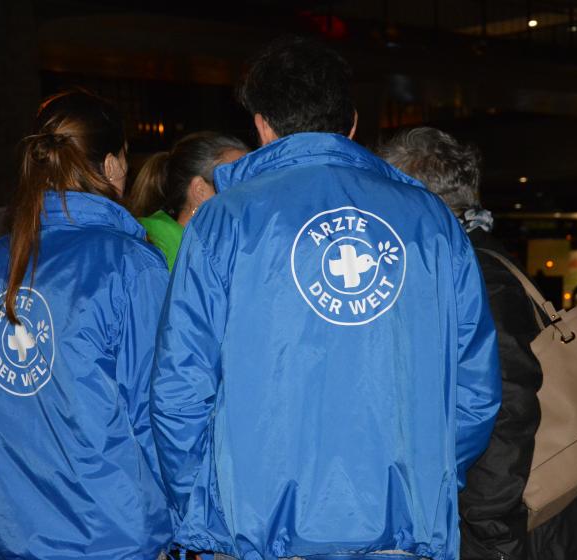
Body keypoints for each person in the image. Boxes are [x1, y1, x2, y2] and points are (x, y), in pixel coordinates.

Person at [151, 37, 501, 560]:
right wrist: (426, 483)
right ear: (353, 122)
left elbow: (180, 388)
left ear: (263, 125)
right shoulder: (430, 221)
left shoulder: (225, 222)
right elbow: (474, 387)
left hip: (260, 531)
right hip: (398, 531)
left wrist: (207, 508)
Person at [0, 90, 172, 559]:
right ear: (111, 166)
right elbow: (159, 413)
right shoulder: (131, 265)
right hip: (113, 537)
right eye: (126, 162)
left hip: (11, 533)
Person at [379, 126, 577, 560]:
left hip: (526, 525)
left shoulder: (477, 276)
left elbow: (508, 409)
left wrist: (490, 534)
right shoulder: (479, 255)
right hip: (536, 514)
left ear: (418, 200)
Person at [125, 132, 249, 270]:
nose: (251, 193)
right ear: (200, 190)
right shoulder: (152, 250)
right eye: (238, 182)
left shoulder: (213, 249)